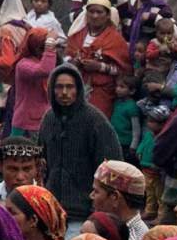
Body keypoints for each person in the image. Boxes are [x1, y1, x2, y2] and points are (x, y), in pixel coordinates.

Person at [37, 62, 125, 224]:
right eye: (59, 87)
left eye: (70, 87)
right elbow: (41, 162)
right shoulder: (49, 119)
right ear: (51, 90)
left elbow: (112, 168)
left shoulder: (95, 121)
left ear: (78, 89)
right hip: (51, 209)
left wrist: (98, 209)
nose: (64, 92)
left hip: (84, 213)